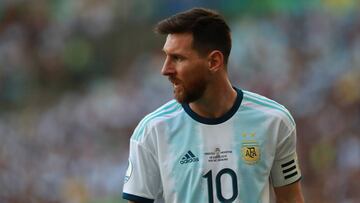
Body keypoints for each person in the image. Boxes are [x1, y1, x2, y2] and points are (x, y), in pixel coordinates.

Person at [122, 7, 304, 203]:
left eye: (178, 58)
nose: (165, 70)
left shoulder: (274, 121)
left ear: (214, 61)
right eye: (166, 57)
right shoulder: (152, 131)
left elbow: (291, 198)